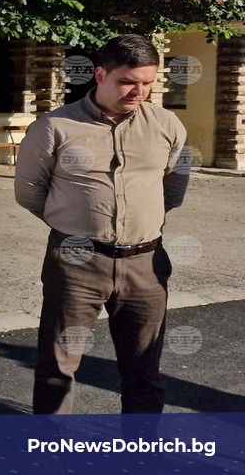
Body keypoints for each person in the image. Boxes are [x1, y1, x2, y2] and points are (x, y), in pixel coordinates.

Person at [15, 34, 189, 415]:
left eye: (147, 83)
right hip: (76, 263)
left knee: (144, 371)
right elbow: (29, 192)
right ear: (100, 74)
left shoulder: (167, 125)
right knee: (57, 369)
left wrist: (138, 223)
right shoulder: (54, 127)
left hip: (145, 265)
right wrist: (76, 219)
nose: (139, 92)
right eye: (128, 81)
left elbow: (173, 187)